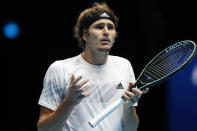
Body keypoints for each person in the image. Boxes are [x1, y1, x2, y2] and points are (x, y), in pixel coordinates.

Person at [37, 2, 148, 131]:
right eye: (99, 27)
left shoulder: (124, 66)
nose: (106, 32)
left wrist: (128, 108)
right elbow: (44, 129)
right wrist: (69, 102)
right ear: (85, 35)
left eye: (110, 27)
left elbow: (130, 128)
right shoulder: (60, 69)